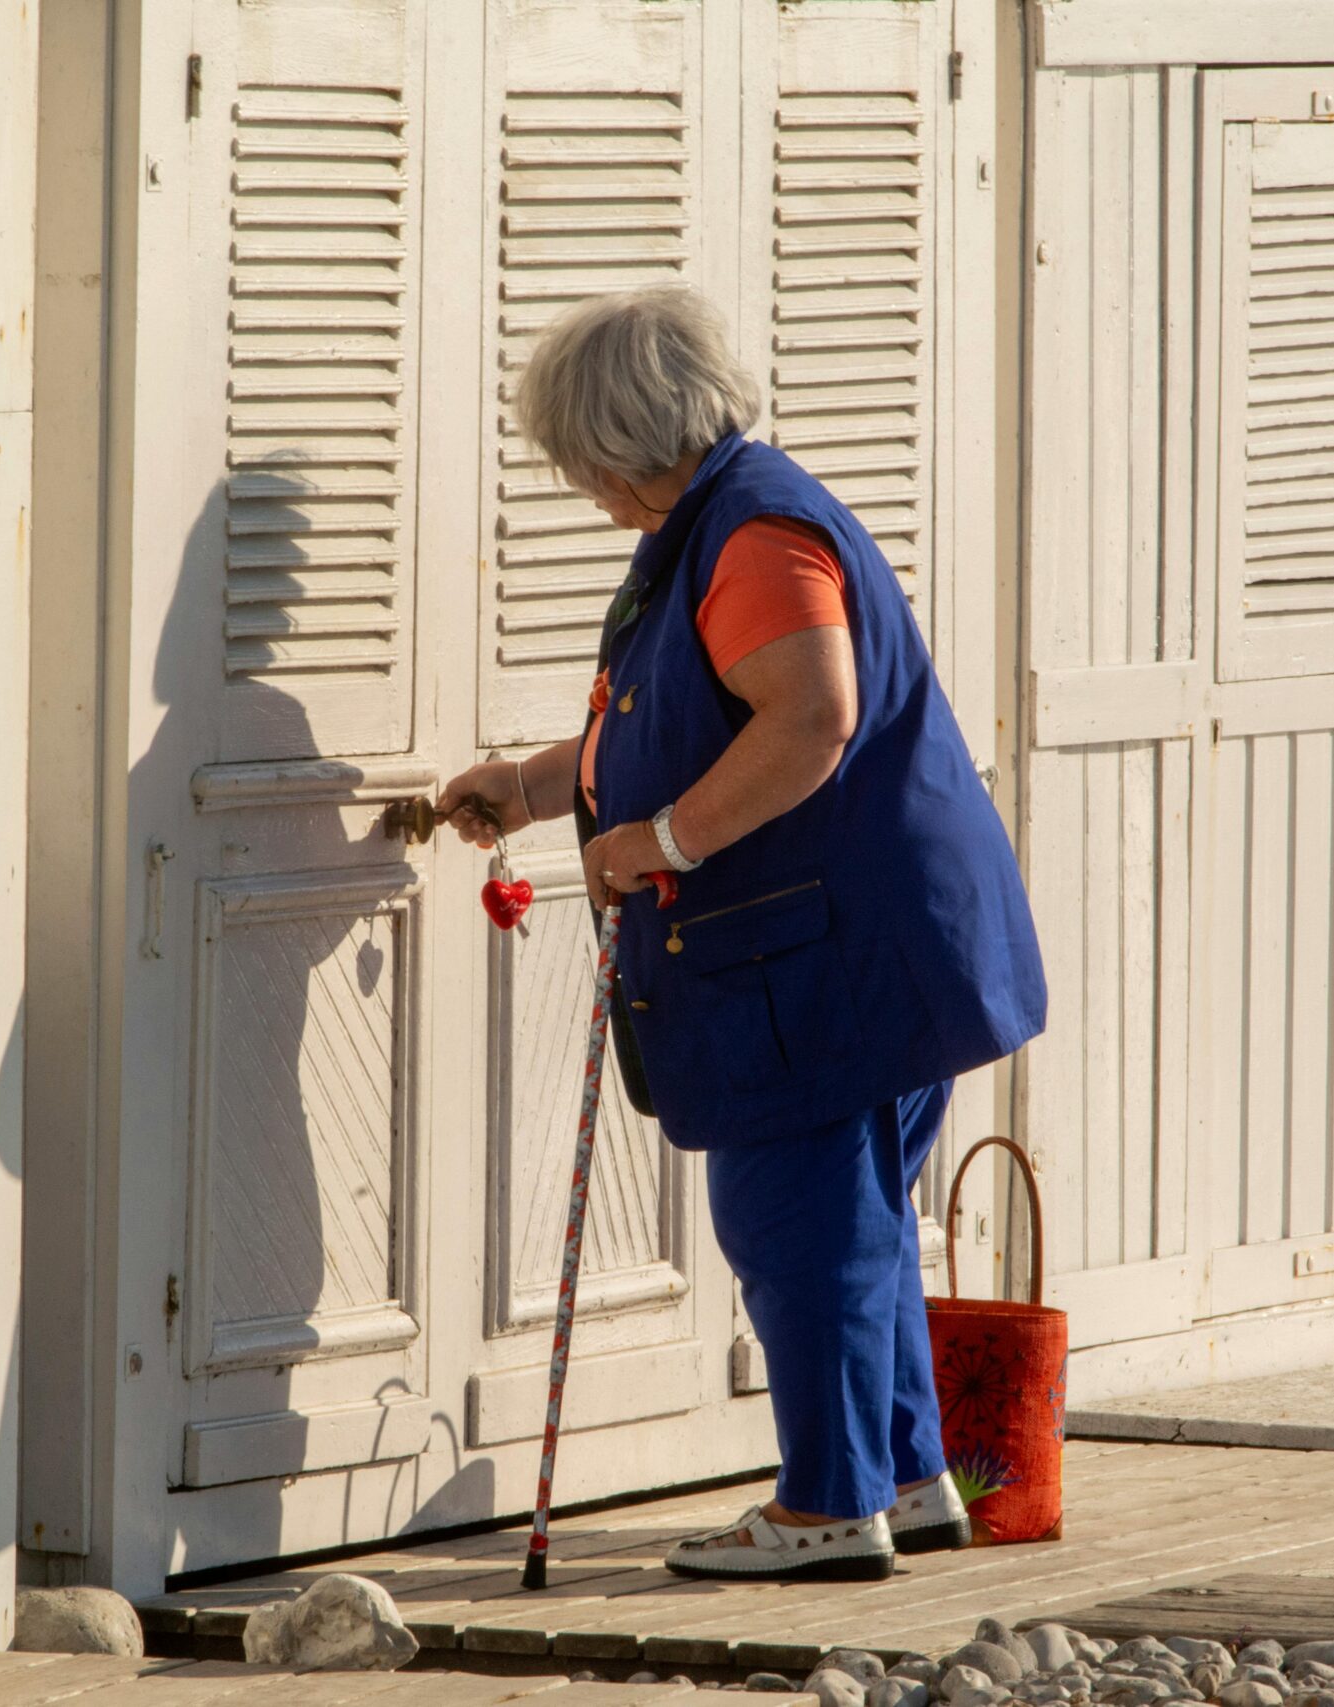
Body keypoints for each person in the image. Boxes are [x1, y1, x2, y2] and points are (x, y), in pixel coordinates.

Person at [435, 285, 1047, 1582]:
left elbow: (808, 720)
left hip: (821, 957)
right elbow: (701, 716)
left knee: (796, 1225)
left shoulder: (750, 534)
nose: (580, 485)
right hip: (872, 942)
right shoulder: (728, 516)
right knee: (858, 1213)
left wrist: (653, 847)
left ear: (615, 444)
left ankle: (828, 1508)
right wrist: (541, 789)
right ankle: (905, 1475)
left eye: (576, 459)